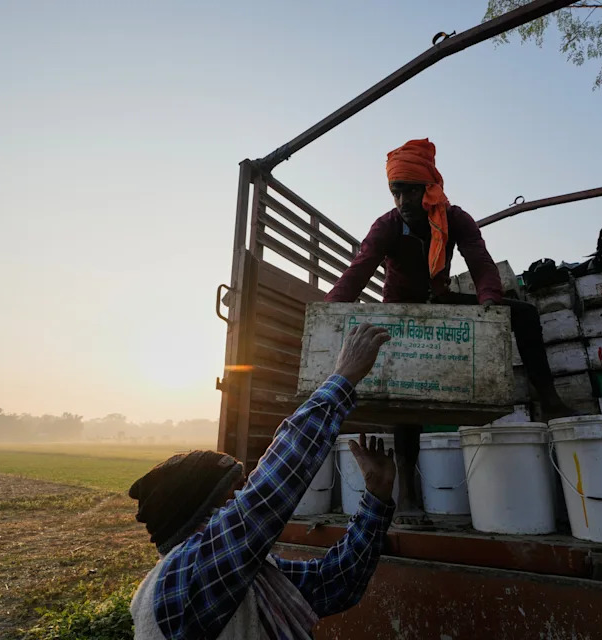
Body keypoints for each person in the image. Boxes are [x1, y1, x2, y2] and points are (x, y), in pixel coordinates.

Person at [325, 138, 572, 523]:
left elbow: (480, 262)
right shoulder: (387, 226)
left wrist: (489, 301)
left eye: (411, 189)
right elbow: (359, 270)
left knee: (521, 313)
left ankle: (551, 400)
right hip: (400, 311)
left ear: (430, 188)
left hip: (438, 302)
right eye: (396, 191)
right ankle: (407, 494)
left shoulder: (455, 219)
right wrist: (328, 311)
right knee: (407, 387)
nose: (404, 200)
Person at [128, 323, 396, 640]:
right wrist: (342, 380)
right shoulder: (184, 578)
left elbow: (334, 583)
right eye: (234, 492)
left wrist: (376, 497)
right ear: (202, 512)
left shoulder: (244, 578)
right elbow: (264, 498)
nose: (243, 496)